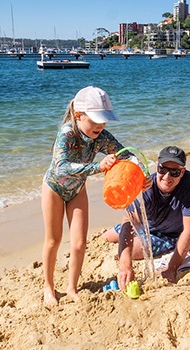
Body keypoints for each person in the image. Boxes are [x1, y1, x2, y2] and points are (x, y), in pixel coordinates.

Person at [42, 86, 127, 308]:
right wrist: (98, 166)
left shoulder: (101, 137)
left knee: (79, 243)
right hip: (54, 188)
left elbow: (125, 155)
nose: (101, 125)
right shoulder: (67, 133)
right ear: (79, 115)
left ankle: (71, 287)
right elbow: (61, 168)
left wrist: (141, 174)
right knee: (54, 240)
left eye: (104, 120)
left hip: (77, 189)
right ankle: (48, 287)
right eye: (96, 120)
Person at [102, 146, 190, 288]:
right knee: (106, 238)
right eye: (163, 169)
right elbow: (129, 222)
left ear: (182, 172)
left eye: (174, 172)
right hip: (147, 224)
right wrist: (125, 265)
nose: (167, 177)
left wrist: (172, 268)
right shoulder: (146, 185)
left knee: (134, 251)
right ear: (157, 167)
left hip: (169, 234)